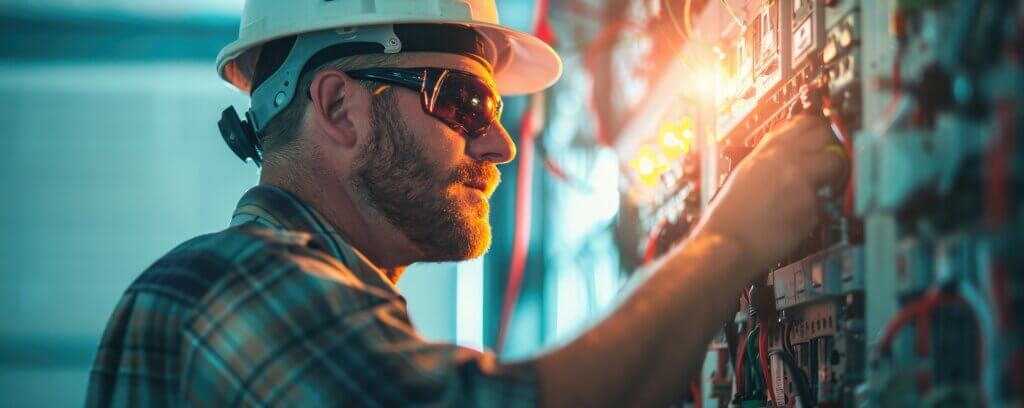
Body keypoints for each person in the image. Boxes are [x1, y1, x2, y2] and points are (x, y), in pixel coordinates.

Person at [86, 0, 846, 406]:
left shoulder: (296, 298)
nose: (499, 146)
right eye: (464, 102)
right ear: (339, 109)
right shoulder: (232, 289)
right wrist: (727, 244)